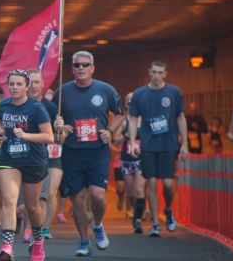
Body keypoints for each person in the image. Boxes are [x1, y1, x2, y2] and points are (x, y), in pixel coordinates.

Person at [53, 51, 120, 257]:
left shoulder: (105, 89)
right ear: (72, 68)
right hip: (72, 152)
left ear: (92, 67)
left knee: (97, 196)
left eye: (85, 65)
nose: (81, 68)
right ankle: (83, 241)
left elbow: (120, 114)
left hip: (97, 151)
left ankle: (98, 225)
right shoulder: (62, 92)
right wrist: (61, 128)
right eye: (77, 65)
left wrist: (109, 131)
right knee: (78, 199)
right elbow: (53, 119)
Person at [0, 69, 54, 261]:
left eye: (19, 84)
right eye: (11, 84)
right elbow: (0, 125)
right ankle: (7, 246)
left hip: (33, 160)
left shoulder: (37, 108)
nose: (15, 88)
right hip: (9, 157)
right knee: (9, 200)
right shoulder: (3, 106)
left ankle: (37, 241)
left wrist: (26, 135)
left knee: (32, 206)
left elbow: (49, 137)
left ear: (27, 86)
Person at [127, 60, 187, 238]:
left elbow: (180, 117)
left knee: (168, 184)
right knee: (151, 182)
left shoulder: (174, 92)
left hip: (169, 144)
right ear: (149, 72)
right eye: (153, 72)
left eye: (160, 72)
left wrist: (184, 143)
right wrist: (132, 142)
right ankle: (155, 224)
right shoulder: (139, 94)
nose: (156, 76)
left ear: (165, 74)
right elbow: (132, 119)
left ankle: (168, 209)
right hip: (148, 144)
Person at [27, 69, 62, 241]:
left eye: (36, 82)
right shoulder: (20, 105)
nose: (33, 86)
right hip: (28, 157)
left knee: (49, 193)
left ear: (43, 84)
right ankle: (30, 225)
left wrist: (60, 128)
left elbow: (59, 137)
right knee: (31, 198)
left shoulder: (51, 107)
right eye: (30, 82)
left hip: (51, 155)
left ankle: (44, 227)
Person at [111, 92, 146, 234]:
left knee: (139, 190)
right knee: (130, 193)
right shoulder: (123, 120)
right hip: (126, 159)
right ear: (125, 104)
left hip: (141, 158)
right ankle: (134, 211)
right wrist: (126, 135)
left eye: (133, 100)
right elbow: (116, 140)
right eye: (129, 101)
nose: (131, 103)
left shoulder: (143, 120)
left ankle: (137, 219)